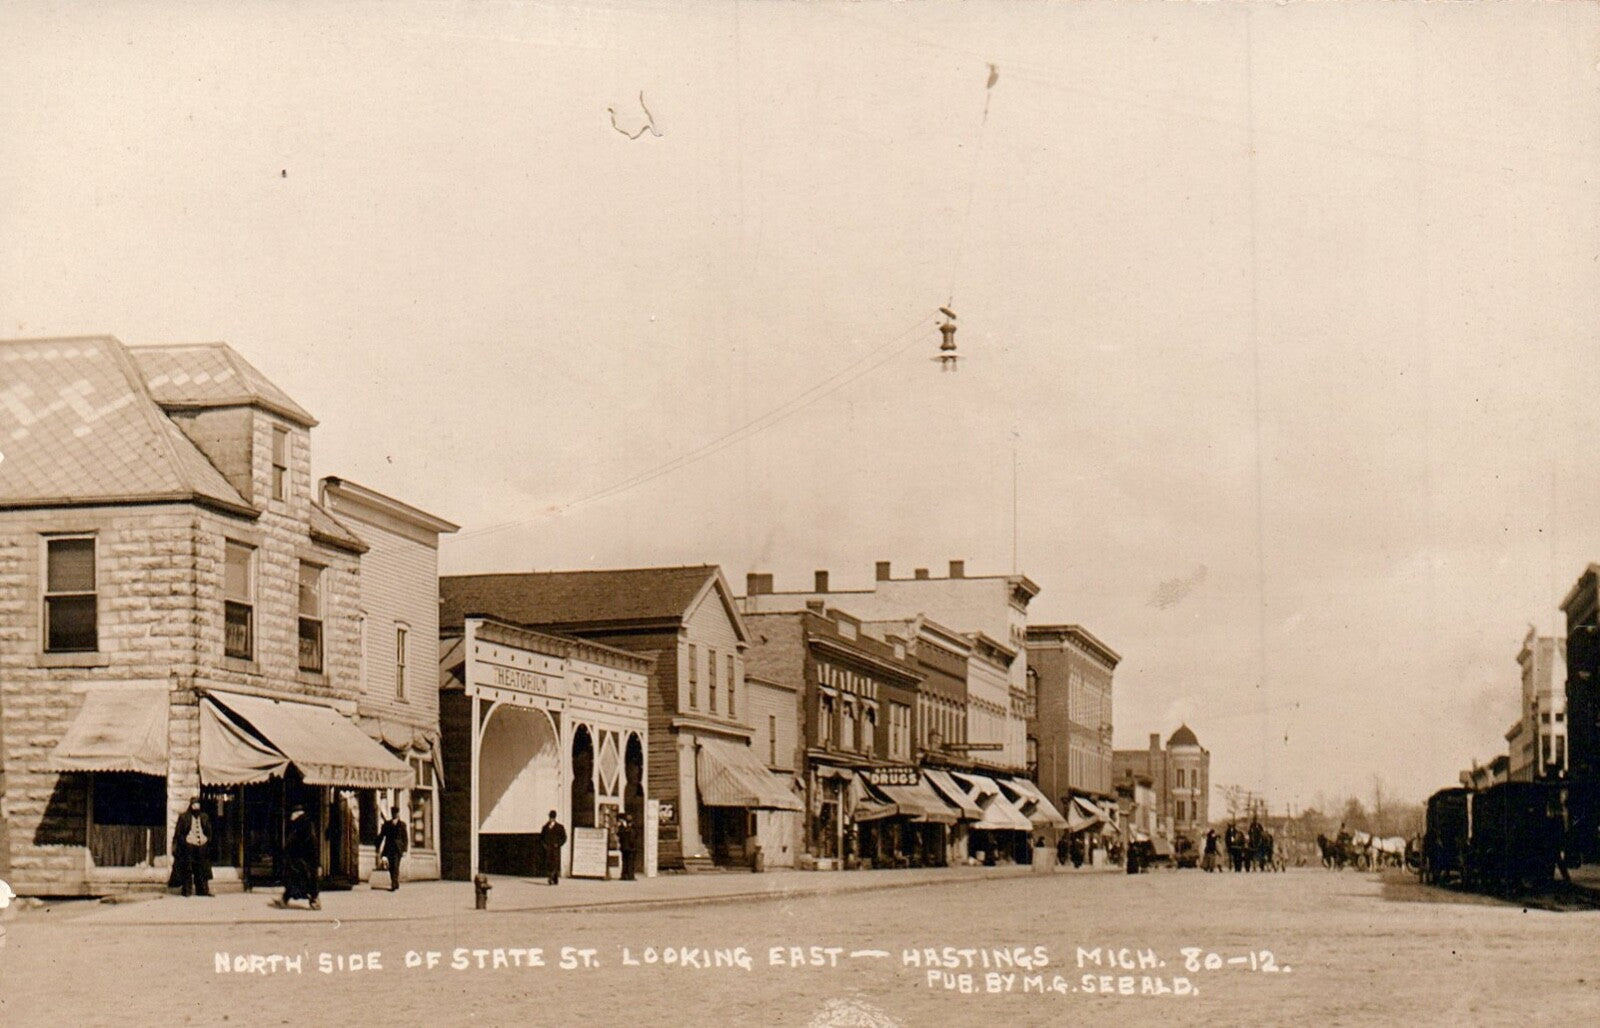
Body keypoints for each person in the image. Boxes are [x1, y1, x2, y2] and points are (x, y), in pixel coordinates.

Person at [169, 796, 213, 897]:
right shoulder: (184, 817)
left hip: (202, 846)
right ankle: (187, 891)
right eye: (194, 804)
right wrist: (185, 841)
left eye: (197, 804)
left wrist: (206, 840)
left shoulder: (204, 817)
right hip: (189, 846)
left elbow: (209, 831)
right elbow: (179, 833)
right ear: (190, 805)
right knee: (187, 868)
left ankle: (203, 890)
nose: (196, 806)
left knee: (202, 868)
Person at [282, 804, 322, 910]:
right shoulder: (304, 824)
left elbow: (297, 842)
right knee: (300, 881)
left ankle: (313, 901)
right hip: (303, 860)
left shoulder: (302, 825)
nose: (290, 817)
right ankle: (286, 898)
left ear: (296, 814)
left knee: (299, 880)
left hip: (302, 860)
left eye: (292, 814)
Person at [376, 806, 408, 892]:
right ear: (392, 813)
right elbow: (382, 835)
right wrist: (377, 845)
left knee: (396, 865)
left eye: (396, 813)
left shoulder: (402, 825)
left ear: (398, 814)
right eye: (393, 813)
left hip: (398, 849)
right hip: (389, 848)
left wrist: (405, 849)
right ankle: (395, 882)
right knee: (390, 867)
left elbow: (405, 838)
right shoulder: (387, 824)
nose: (395, 814)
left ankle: (394, 884)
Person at [541, 810, 567, 885]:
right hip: (548, 848)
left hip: (555, 848)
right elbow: (541, 837)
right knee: (549, 863)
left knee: (555, 863)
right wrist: (544, 845)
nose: (551, 818)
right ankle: (551, 877)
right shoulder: (545, 827)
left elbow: (564, 837)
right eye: (550, 817)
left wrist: (559, 844)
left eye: (552, 817)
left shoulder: (560, 827)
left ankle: (553, 877)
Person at [616, 813, 637, 881]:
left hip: (629, 847)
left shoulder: (632, 826)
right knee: (626, 861)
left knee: (629, 861)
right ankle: (626, 875)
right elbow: (620, 835)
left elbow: (634, 835)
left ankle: (629, 875)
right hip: (627, 847)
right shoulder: (623, 827)